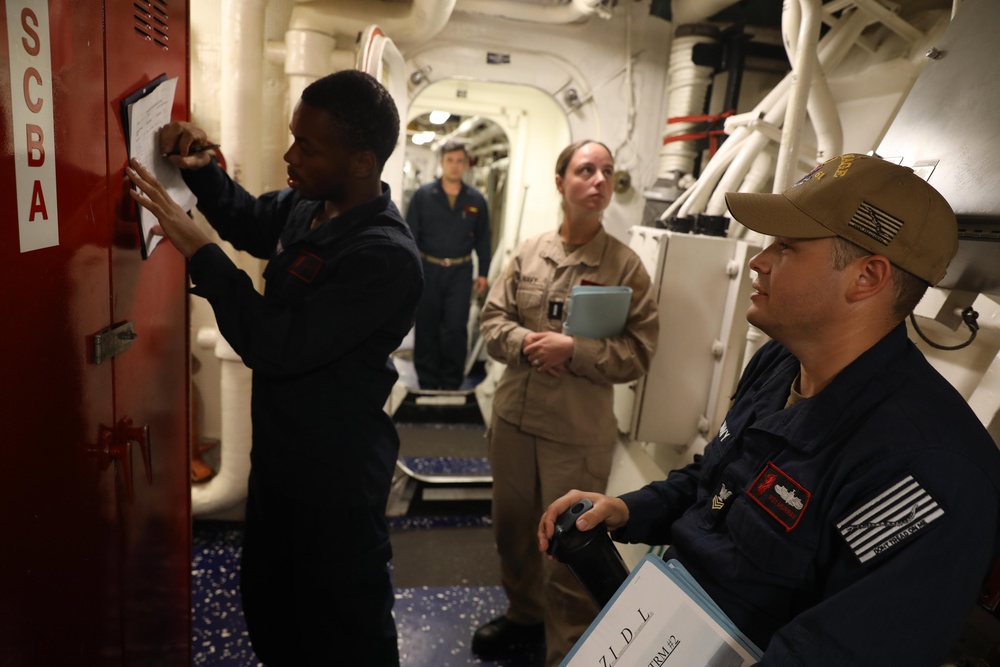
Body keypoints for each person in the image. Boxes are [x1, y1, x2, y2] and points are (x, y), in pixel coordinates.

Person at [539, 153, 1000, 666]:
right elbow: (717, 483)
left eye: (786, 247)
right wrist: (629, 509)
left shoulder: (930, 468)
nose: (759, 260)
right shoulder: (780, 362)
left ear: (866, 277)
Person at [126, 70, 422, 666]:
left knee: (342, 634)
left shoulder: (384, 258)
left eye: (307, 146)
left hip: (335, 483)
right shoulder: (311, 206)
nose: (290, 155)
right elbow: (249, 219)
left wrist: (203, 253)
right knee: (272, 614)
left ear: (363, 161)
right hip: (282, 465)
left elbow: (278, 344)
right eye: (294, 137)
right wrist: (202, 168)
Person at [473, 140, 660, 666]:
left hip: (575, 434)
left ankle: (568, 652)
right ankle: (524, 617)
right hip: (513, 420)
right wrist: (527, 343)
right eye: (585, 170)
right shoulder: (529, 253)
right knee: (512, 532)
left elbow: (639, 354)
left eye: (607, 171)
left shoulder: (625, 268)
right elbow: (492, 323)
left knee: (570, 552)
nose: (599, 180)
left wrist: (575, 350)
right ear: (561, 184)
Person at [406, 140, 492, 390]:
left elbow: (484, 239)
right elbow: (410, 235)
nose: (454, 166)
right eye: (450, 161)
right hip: (428, 269)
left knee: (455, 328)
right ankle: (427, 381)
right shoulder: (424, 196)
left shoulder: (476, 199)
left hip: (460, 272)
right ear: (442, 163)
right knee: (426, 326)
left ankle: (452, 382)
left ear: (465, 165)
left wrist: (484, 273)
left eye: (459, 161)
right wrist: (411, 271)